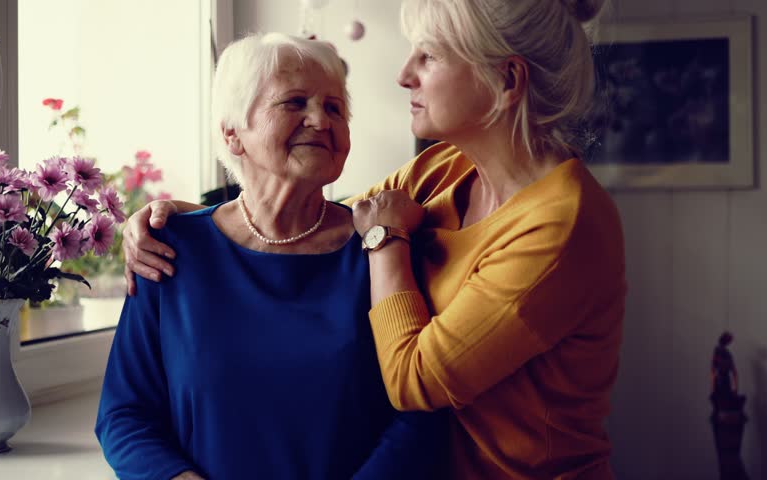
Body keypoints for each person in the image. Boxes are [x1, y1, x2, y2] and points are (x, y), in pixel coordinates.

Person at [124, 0, 626, 478]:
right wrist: (184, 220)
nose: (404, 74)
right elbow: (317, 215)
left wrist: (386, 240)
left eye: (428, 56)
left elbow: (415, 380)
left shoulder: (563, 224)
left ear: (506, 79)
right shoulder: (445, 169)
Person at [95, 32, 446, 480]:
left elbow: (420, 415)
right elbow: (124, 415)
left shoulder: (381, 249)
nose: (321, 120)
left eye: (335, 108)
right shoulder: (167, 248)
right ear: (233, 135)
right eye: (294, 102)